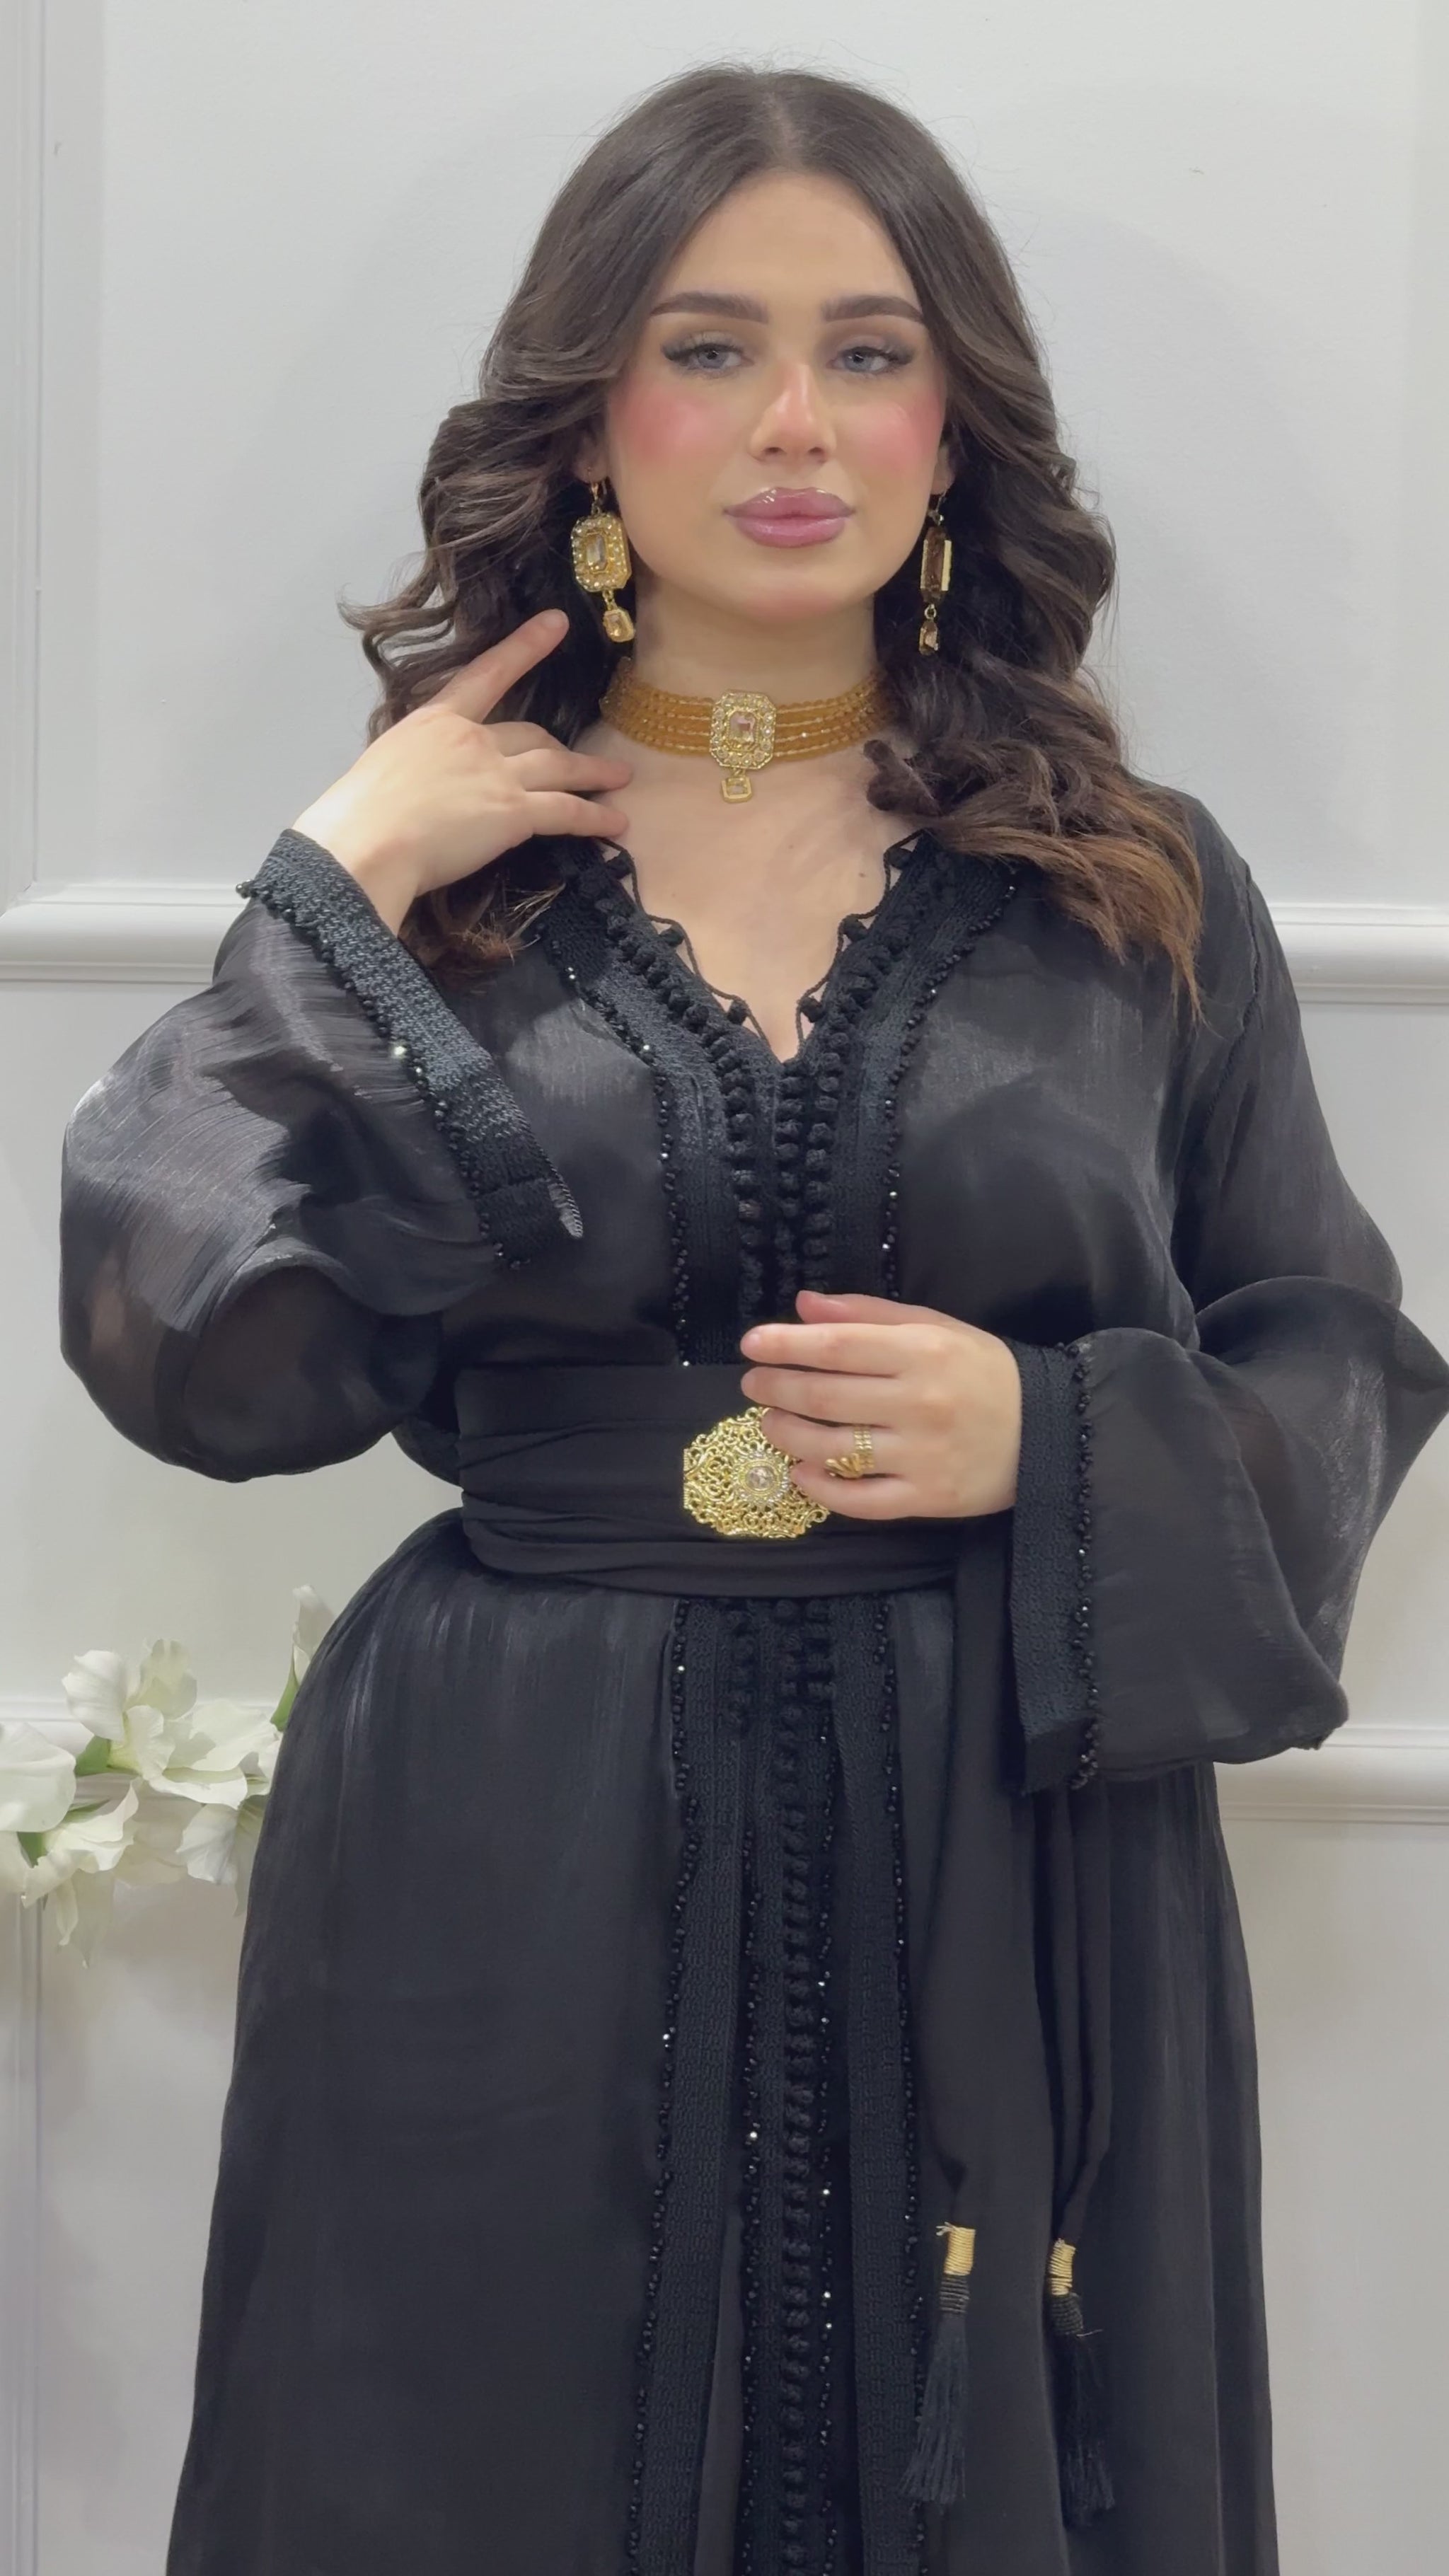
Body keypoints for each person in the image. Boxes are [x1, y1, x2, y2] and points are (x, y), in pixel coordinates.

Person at [57, 58, 1449, 2576]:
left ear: (955, 425)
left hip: (1011, 1824)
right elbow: (183, 1345)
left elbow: (1330, 1353)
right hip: (505, 1833)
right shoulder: (442, 888)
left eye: (868, 351)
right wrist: (330, 884)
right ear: (594, 418)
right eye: (709, 349)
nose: (795, 424)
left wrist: (1052, 1430)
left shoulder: (1126, 884)